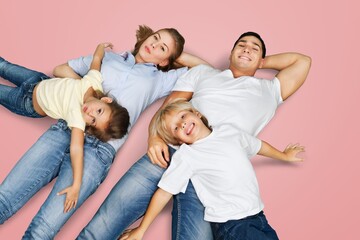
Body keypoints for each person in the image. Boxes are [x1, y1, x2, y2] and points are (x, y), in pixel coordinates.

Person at [78, 31, 311, 240]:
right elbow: (170, 105)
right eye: (241, 45)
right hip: (169, 150)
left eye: (254, 47)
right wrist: (155, 137)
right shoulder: (205, 73)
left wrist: (258, 61)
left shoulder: (270, 90)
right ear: (230, 53)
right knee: (108, 218)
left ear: (261, 60)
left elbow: (303, 61)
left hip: (210, 178)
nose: (247, 48)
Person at [0, 25, 208, 239]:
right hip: (67, 127)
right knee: (4, 199)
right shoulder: (109, 58)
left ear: (165, 61)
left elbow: (206, 71)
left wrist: (177, 53)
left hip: (98, 152)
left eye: (162, 48)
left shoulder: (160, 79)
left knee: (42, 229)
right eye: (155, 38)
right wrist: (88, 94)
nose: (154, 44)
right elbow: (61, 69)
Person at [120, 99, 305, 240]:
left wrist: (284, 155)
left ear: (197, 114)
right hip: (232, 224)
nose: (183, 124)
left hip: (258, 216)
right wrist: (141, 230)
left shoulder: (228, 131)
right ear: (178, 140)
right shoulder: (187, 155)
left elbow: (257, 146)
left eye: (183, 116)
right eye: (176, 127)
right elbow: (164, 192)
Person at [0, 42, 129, 212]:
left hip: (26, 102)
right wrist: (100, 47)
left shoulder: (77, 117)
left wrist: (76, 185)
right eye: (99, 110)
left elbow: (76, 149)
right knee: (4, 66)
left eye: (93, 121)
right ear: (105, 100)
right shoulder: (93, 81)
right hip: (37, 80)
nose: (90, 113)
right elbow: (96, 60)